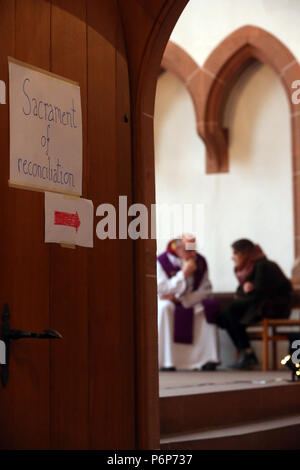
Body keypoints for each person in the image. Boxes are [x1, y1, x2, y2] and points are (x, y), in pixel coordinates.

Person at [217, 239, 292, 370]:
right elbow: (242, 292)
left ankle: (247, 352)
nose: (232, 257)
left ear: (244, 254)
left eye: (235, 253)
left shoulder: (264, 266)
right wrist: (246, 288)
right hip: (259, 305)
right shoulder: (250, 267)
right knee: (228, 314)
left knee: (230, 313)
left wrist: (249, 289)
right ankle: (246, 352)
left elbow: (260, 292)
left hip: (273, 308)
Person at [157, 234, 219, 371]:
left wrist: (182, 299)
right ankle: (167, 361)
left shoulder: (200, 261)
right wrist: (183, 274)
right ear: (177, 249)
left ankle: (207, 359)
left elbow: (206, 288)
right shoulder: (161, 261)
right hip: (168, 302)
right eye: (187, 251)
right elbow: (161, 288)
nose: (192, 254)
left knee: (208, 309)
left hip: (190, 299)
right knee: (164, 308)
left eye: (194, 250)